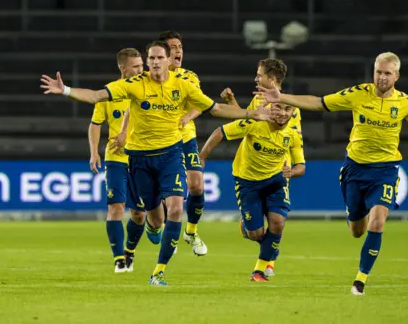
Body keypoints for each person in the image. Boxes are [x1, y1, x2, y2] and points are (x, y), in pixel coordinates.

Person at [254, 52, 408, 295]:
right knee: (357, 231)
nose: (381, 77)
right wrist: (281, 97)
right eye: (378, 72)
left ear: (397, 76)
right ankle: (359, 213)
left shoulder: (405, 104)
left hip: (385, 170)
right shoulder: (357, 94)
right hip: (355, 170)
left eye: (387, 73)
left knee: (378, 222)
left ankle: (360, 280)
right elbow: (319, 102)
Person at [40, 40, 273, 286]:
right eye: (150, 58)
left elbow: (214, 109)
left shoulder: (182, 85)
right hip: (140, 159)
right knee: (154, 217)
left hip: (170, 155)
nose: (154, 62)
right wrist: (65, 90)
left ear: (167, 60)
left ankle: (158, 272)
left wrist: (252, 113)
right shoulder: (134, 85)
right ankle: (152, 229)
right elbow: (96, 96)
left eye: (159, 58)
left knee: (174, 208)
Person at [199, 99, 305, 282]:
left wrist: (292, 172)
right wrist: (202, 156)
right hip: (248, 183)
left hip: (275, 182)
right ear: (271, 108)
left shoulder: (293, 135)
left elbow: (301, 166)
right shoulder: (254, 124)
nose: (282, 113)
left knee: (278, 223)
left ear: (292, 113)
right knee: (256, 234)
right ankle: (259, 237)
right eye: (278, 107)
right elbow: (221, 132)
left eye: (287, 109)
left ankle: (259, 271)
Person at [88, 48, 146, 273]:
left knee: (139, 214)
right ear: (123, 68)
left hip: (140, 158)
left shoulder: (147, 90)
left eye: (142, 66)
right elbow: (95, 124)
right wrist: (94, 152)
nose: (141, 70)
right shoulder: (110, 93)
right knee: (115, 208)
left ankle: (129, 251)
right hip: (115, 159)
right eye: (136, 67)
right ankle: (119, 259)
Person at [159, 30, 207, 256]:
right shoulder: (154, 78)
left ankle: (191, 231)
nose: (178, 51)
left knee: (196, 185)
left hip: (186, 137)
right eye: (173, 47)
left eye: (180, 47)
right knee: (168, 193)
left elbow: (202, 103)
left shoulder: (190, 77)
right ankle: (165, 230)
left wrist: (188, 116)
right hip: (160, 139)